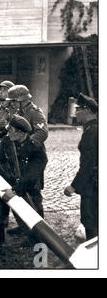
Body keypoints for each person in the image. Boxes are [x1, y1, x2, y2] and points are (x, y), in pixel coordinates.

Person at [0, 114, 48, 245]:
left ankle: (37, 241)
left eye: (11, 130)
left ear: (21, 133)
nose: (8, 133)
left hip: (29, 186)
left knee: (33, 213)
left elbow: (32, 175)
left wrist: (16, 190)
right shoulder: (7, 141)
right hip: (11, 183)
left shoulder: (35, 147)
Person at [5, 84, 48, 235]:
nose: (12, 104)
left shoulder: (35, 112)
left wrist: (26, 147)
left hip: (32, 156)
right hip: (19, 157)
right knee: (19, 189)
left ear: (21, 100)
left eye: (13, 101)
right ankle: (23, 225)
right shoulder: (18, 112)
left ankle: (39, 229)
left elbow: (42, 133)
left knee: (33, 191)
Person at [64, 93, 98, 239]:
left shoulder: (91, 132)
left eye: (78, 109)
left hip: (93, 185)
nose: (75, 113)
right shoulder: (94, 128)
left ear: (88, 111)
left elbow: (88, 166)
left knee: (91, 221)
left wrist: (73, 186)